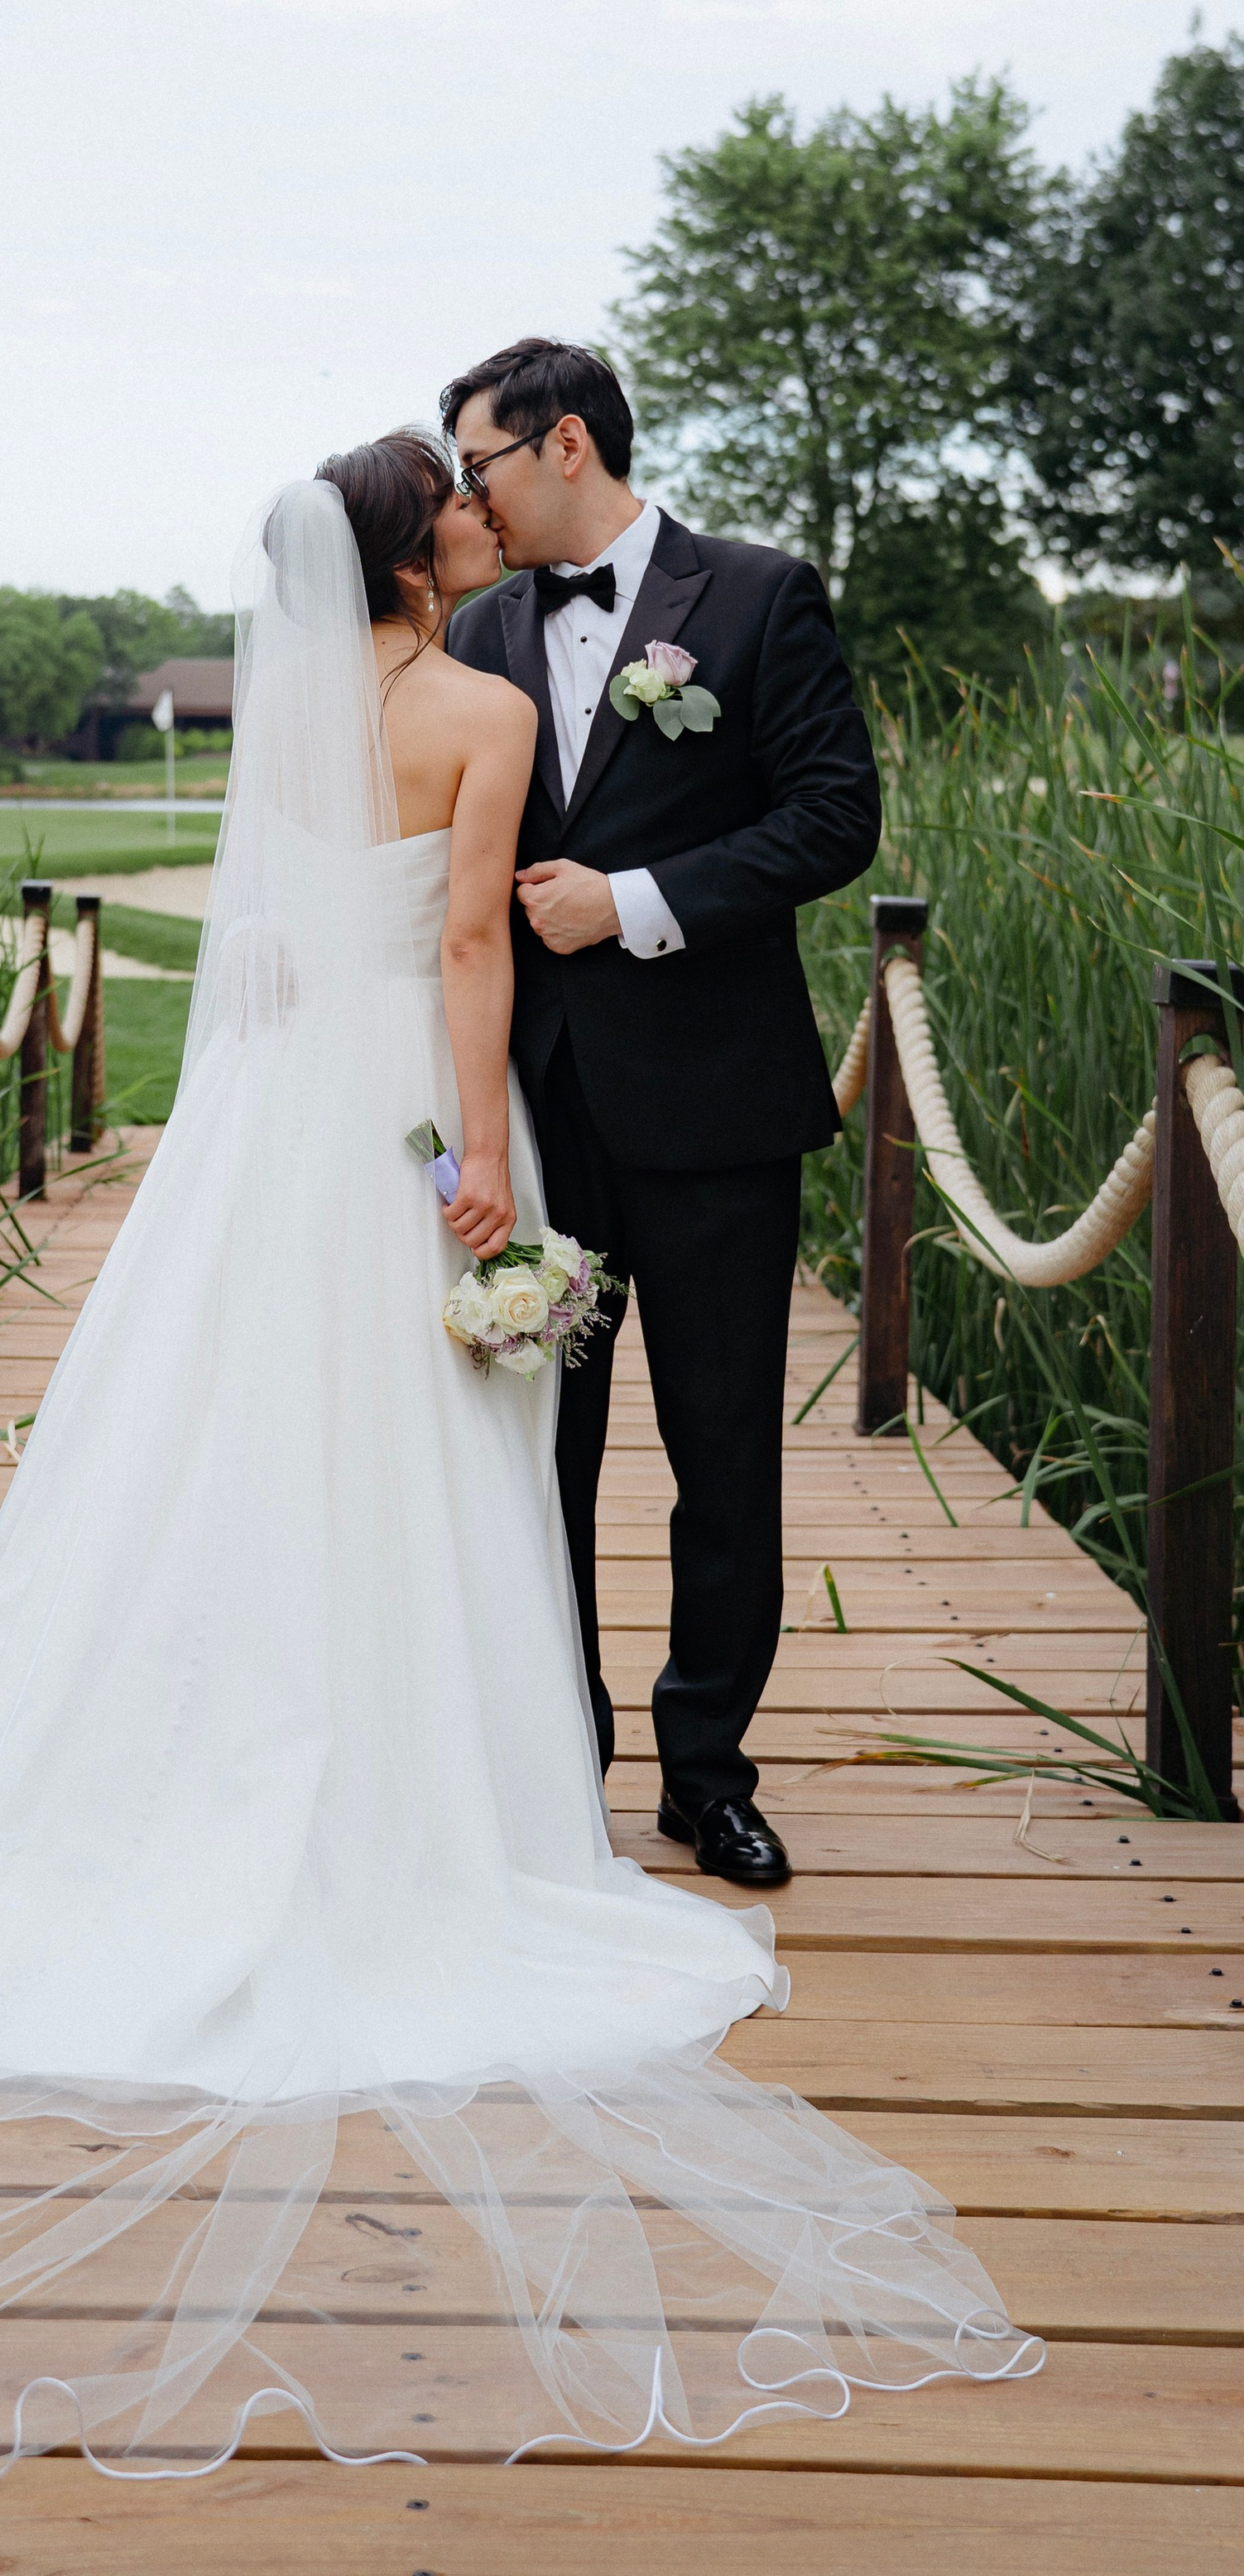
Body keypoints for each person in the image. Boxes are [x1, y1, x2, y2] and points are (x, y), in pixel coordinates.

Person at [0, 448, 1035, 2477]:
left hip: (271, 1136)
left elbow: (270, 942)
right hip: (418, 1116)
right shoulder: (487, 696)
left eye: (485, 473)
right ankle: (452, 1793)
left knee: (230, 1437)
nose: (477, 515)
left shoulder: (303, 707)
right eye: (449, 497)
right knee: (427, 1455)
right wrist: (478, 1169)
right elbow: (460, 955)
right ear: (415, 548)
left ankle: (326, 1758)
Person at [443, 340, 881, 1888]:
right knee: (537, 1452)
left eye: (481, 463)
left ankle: (711, 1772)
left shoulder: (759, 596)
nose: (466, 495)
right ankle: (562, 1759)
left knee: (722, 1450)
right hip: (537, 1122)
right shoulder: (478, 626)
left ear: (566, 444)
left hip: (717, 1110)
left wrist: (633, 900)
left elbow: (834, 815)